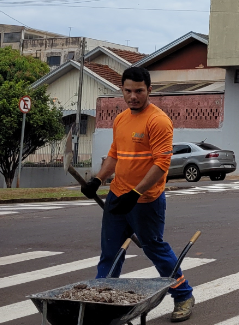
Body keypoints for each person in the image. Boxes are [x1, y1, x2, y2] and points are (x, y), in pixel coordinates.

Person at [80, 66, 195, 322]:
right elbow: (114, 156)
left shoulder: (158, 121)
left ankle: (183, 295)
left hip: (146, 201)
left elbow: (161, 164)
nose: (133, 96)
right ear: (122, 89)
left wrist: (136, 192)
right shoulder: (120, 119)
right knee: (111, 252)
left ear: (149, 90)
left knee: (154, 248)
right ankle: (101, 300)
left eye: (139, 91)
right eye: (128, 91)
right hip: (117, 196)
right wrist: (98, 179)